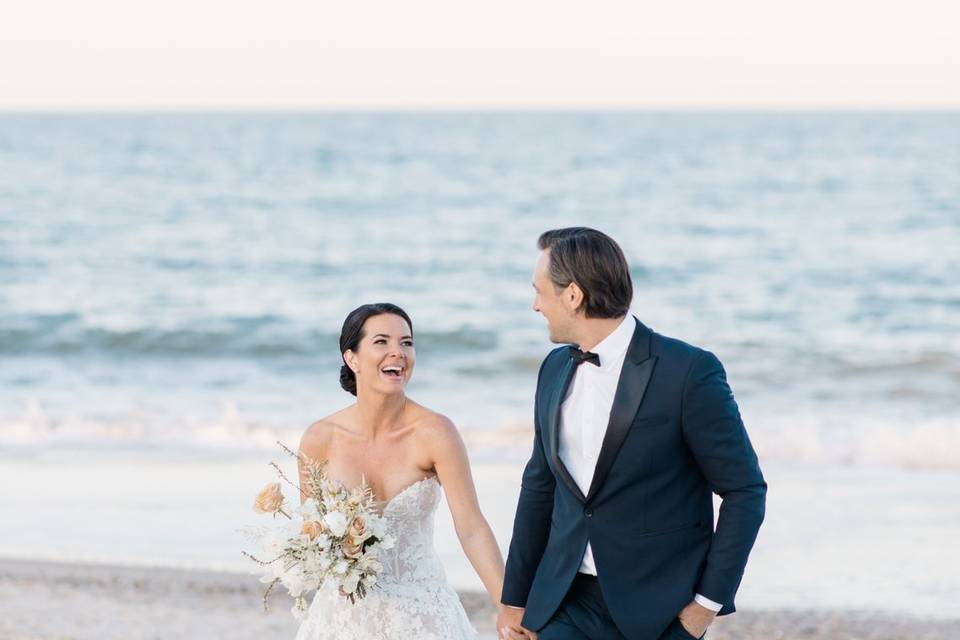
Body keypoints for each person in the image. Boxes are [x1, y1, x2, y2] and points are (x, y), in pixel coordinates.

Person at [497, 228, 767, 640]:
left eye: (540, 292)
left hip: (658, 611)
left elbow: (744, 490)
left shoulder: (688, 371)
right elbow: (539, 486)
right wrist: (514, 600)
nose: (535, 306)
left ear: (573, 295)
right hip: (564, 602)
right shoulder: (553, 368)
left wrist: (704, 609)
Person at [295, 303, 505, 640]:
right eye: (382, 342)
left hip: (424, 615)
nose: (398, 352)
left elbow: (471, 526)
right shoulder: (320, 439)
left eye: (406, 343)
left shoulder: (436, 432)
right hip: (344, 617)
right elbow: (312, 536)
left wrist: (505, 605)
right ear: (352, 358)